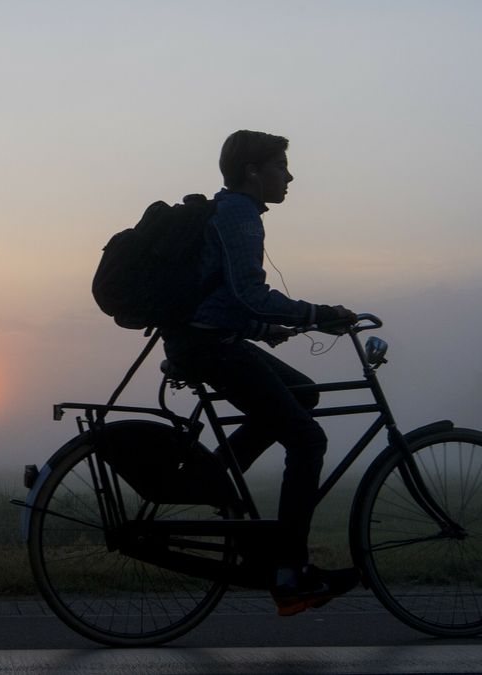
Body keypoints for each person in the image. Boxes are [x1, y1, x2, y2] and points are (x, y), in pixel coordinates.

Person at [161, 130, 360, 616]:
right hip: (210, 346)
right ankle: (290, 573)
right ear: (253, 171)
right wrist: (318, 314)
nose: (289, 175)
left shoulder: (229, 210)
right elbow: (249, 292)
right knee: (308, 441)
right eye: (280, 165)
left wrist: (264, 327)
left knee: (303, 395)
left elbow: (228, 296)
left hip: (206, 338)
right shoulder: (240, 215)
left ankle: (216, 479)